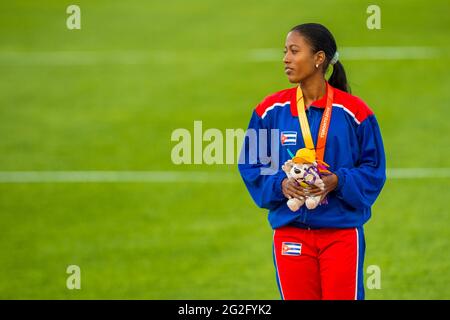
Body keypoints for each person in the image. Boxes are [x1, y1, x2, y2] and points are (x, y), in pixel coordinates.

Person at [238, 23, 386, 300]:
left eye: (294, 51)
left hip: (341, 234)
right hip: (291, 233)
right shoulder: (269, 111)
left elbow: (374, 169)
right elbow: (252, 164)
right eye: (285, 51)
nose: (286, 59)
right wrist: (280, 184)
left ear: (319, 58)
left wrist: (338, 181)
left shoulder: (355, 112)